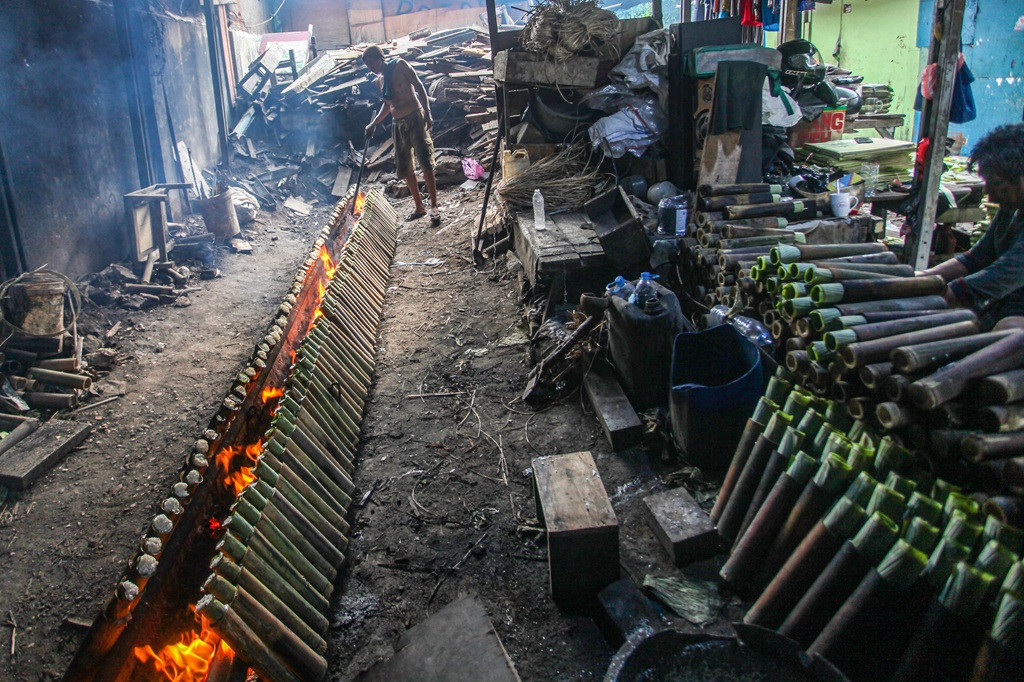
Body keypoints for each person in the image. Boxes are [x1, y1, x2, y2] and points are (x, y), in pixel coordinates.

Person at [919, 123, 1024, 329]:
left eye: (998, 186)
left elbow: (995, 280)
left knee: (1010, 329)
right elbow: (977, 257)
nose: (990, 196)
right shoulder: (1013, 205)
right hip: (1010, 302)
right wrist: (921, 279)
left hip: (1014, 309)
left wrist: (919, 303)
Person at [362, 45, 440, 225]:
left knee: (425, 161)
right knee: (405, 167)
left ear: (380, 58)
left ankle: (434, 207)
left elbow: (419, 86)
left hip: (415, 118)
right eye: (368, 66)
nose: (371, 68)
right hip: (398, 124)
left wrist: (428, 113)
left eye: (372, 63)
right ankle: (419, 207)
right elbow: (388, 105)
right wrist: (373, 124)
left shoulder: (399, 65)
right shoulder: (380, 81)